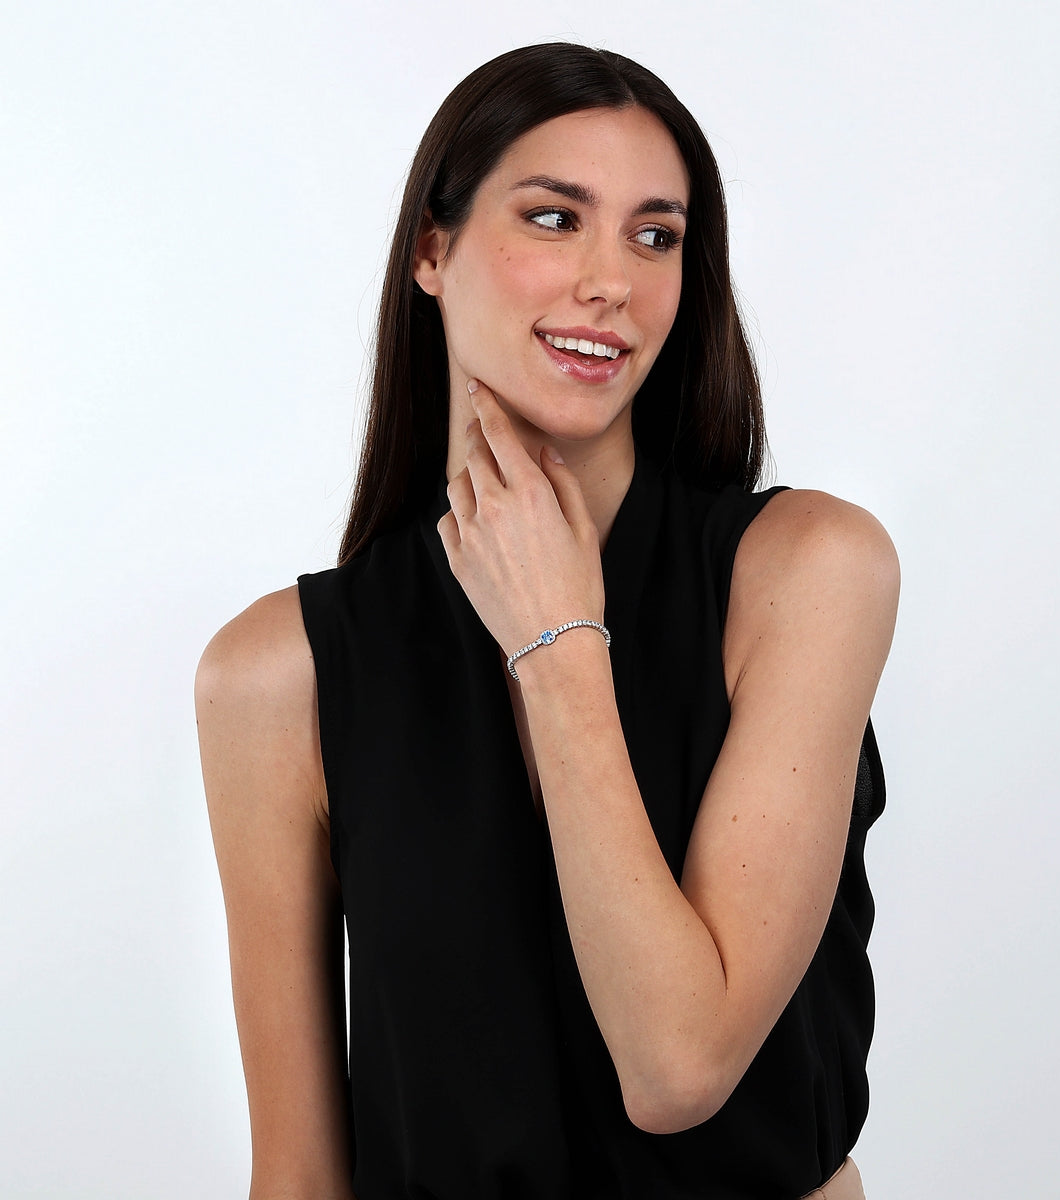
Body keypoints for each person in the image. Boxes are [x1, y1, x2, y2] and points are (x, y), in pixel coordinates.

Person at [196, 42, 899, 1200]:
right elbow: (300, 1173)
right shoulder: (278, 675)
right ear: (432, 250)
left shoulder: (808, 571)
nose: (611, 279)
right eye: (555, 218)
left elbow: (678, 1068)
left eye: (655, 236)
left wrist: (558, 638)